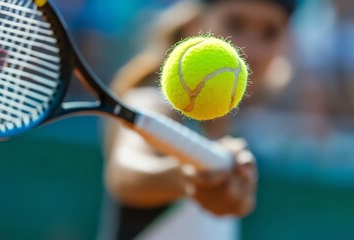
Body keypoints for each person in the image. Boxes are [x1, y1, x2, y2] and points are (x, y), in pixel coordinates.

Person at [104, 0, 296, 239]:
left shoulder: (234, 126)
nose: (251, 48)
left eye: (269, 33)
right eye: (235, 24)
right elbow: (125, 175)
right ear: (195, 26)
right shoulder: (154, 102)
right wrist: (192, 177)